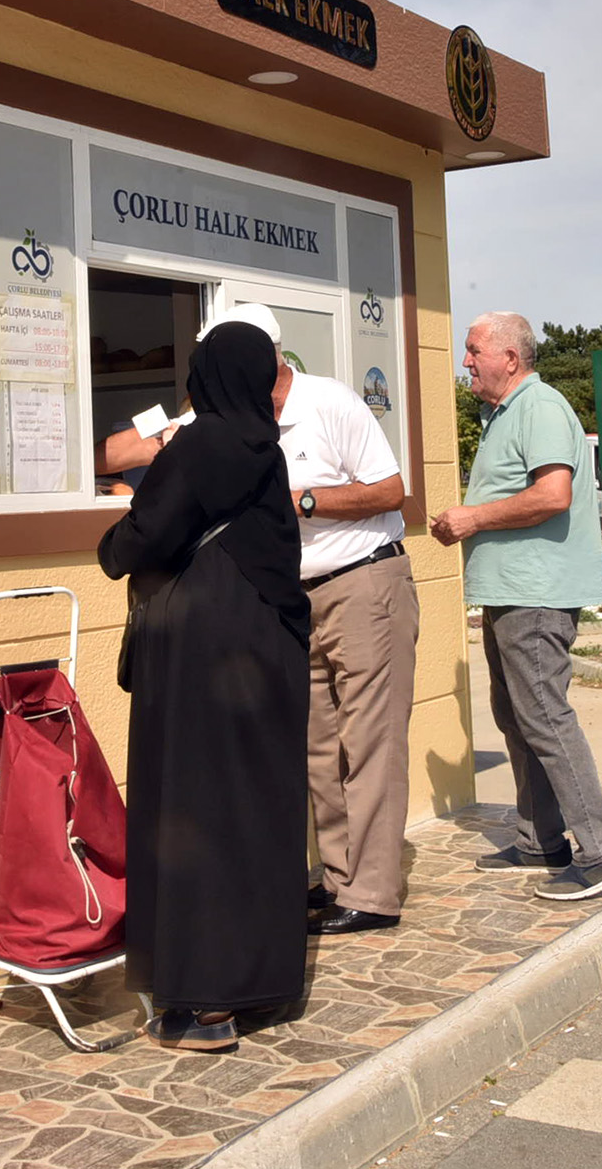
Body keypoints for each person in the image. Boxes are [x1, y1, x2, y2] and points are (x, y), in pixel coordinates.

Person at [97, 320, 311, 1053]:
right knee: (255, 807)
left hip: (199, 654)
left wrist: (110, 548)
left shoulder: (201, 445)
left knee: (193, 810)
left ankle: (203, 1002)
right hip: (266, 647)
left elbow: (143, 535)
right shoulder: (264, 448)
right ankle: (258, 984)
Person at [200, 305, 420, 937]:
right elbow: (130, 446)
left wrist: (301, 499)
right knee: (319, 747)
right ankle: (338, 877)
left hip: (364, 584)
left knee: (370, 743)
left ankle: (373, 893)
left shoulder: (331, 403)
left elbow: (388, 491)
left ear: (267, 355)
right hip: (297, 596)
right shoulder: (237, 416)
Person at [432, 311, 602, 900]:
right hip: (510, 593)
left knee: (544, 716)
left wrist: (471, 517)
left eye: (473, 350)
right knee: (516, 715)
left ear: (510, 359)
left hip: (536, 595)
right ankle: (539, 839)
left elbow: (553, 494)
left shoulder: (540, 407)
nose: (465, 360)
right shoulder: (504, 413)